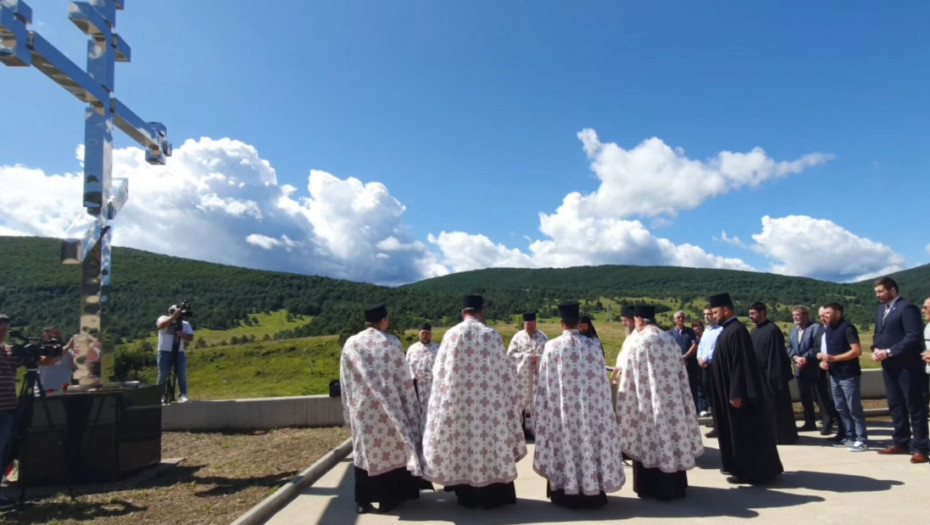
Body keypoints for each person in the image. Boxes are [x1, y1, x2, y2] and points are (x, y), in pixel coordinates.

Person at [422, 295, 526, 509]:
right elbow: (506, 375)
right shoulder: (491, 335)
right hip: (489, 409)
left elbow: (439, 374)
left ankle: (466, 494)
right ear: (481, 313)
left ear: (463, 313)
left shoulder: (451, 335)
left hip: (459, 406)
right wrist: (512, 402)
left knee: (463, 447)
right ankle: (494, 494)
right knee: (490, 447)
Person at [533, 302, 625, 508]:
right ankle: (593, 491)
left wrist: (541, 412)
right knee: (588, 447)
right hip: (590, 414)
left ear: (561, 323)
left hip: (562, 414)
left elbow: (545, 384)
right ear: (579, 323)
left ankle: (565, 492)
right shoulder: (592, 346)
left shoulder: (552, 346)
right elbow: (602, 383)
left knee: (565, 448)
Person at [340, 304, 424, 514]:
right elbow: (403, 379)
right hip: (390, 408)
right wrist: (411, 408)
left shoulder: (351, 344)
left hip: (363, 409)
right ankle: (389, 499)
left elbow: (345, 381)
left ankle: (362, 500)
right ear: (384, 320)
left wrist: (349, 410)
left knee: (364, 453)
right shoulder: (392, 343)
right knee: (392, 453)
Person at [617, 305, 703, 500]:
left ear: (639, 320)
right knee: (671, 440)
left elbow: (629, 380)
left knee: (650, 444)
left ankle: (650, 487)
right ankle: (675, 485)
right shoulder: (669, 340)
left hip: (647, 407)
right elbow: (682, 375)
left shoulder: (638, 343)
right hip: (672, 406)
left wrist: (625, 406)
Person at [707, 293, 783, 485]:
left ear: (727, 310)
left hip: (737, 396)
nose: (713, 315)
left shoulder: (737, 331)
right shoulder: (728, 330)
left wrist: (736, 392)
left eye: (716, 312)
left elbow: (740, 366)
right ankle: (739, 467)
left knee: (744, 433)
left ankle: (749, 471)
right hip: (729, 393)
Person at [871, 277, 928, 463]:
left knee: (914, 405)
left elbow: (912, 336)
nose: (877, 295)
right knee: (895, 404)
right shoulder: (882, 310)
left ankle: (921, 448)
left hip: (907, 366)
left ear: (892, 290)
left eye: (880, 291)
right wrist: (875, 350)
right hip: (889, 366)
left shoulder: (907, 308)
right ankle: (901, 442)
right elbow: (879, 334)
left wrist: (889, 351)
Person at [816, 302, 867, 452]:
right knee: (841, 407)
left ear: (838, 313)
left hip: (848, 374)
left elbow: (856, 351)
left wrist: (835, 358)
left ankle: (862, 439)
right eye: (824, 314)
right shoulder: (829, 329)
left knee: (854, 408)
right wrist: (825, 361)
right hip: (834, 375)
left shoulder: (847, 328)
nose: (825, 316)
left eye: (828, 313)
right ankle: (850, 437)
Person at [748, 302, 798, 445]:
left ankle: (782, 436)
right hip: (760, 376)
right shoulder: (755, 331)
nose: (750, 316)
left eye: (753, 313)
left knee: (777, 409)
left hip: (772, 377)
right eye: (750, 314)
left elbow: (776, 356)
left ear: (763, 312)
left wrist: (773, 378)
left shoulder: (772, 330)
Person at [787, 306, 839, 435]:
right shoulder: (793, 331)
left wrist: (805, 358)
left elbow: (817, 346)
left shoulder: (816, 328)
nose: (795, 317)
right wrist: (795, 357)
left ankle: (827, 422)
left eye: (797, 315)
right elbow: (789, 347)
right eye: (793, 315)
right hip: (799, 369)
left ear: (806, 316)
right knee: (804, 397)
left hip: (814, 368)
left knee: (820, 396)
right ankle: (809, 422)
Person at [507, 311, 548, 439]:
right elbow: (510, 356)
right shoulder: (517, 338)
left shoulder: (543, 338)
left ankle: (537, 432)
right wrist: (526, 358)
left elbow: (549, 357)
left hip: (538, 380)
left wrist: (538, 358)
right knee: (520, 405)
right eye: (527, 325)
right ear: (524, 324)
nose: (529, 327)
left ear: (535, 323)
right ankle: (520, 433)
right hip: (521, 381)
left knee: (538, 405)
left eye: (532, 325)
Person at [0, 315, 24, 511]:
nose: (3, 334)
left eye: (5, 331)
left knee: (3, 453)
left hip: (8, 409)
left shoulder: (6, 351)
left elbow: (42, 361)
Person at [669, 311, 707, 416]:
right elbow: (668, 348)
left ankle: (694, 410)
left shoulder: (690, 332)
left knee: (692, 387)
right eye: (678, 317)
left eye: (682, 317)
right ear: (674, 320)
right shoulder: (670, 333)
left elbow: (694, 345)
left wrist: (685, 356)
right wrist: (679, 358)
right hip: (676, 364)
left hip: (690, 364)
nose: (681, 319)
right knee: (677, 387)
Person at [156, 305, 195, 403]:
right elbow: (160, 326)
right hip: (164, 351)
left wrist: (183, 335)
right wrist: (173, 318)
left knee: (181, 373)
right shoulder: (163, 318)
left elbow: (191, 337)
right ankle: (161, 395)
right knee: (163, 374)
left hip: (179, 351)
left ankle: (183, 394)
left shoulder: (185, 324)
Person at [405, 322, 439, 435]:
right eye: (423, 333)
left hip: (433, 386)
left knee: (432, 411)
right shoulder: (412, 349)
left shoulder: (438, 349)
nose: (425, 335)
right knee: (417, 412)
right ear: (419, 334)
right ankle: (418, 434)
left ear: (431, 334)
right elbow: (407, 366)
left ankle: (432, 433)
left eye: (427, 333)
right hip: (417, 387)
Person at [697, 306, 723, 438]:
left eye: (709, 314)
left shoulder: (720, 330)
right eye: (705, 314)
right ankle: (716, 423)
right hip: (704, 367)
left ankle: (721, 426)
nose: (707, 316)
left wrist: (706, 359)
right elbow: (701, 346)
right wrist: (699, 358)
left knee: (717, 396)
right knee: (709, 397)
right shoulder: (706, 331)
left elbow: (717, 348)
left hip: (714, 366)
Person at [37, 326, 77, 393]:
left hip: (65, 390)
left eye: (59, 333)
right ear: (45, 335)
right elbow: (48, 362)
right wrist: (69, 346)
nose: (58, 336)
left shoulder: (69, 352)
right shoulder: (40, 351)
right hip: (46, 391)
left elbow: (78, 366)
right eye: (56, 333)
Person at [609, 305, 637, 385]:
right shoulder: (629, 335)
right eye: (622, 320)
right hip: (621, 373)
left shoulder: (638, 336)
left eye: (625, 320)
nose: (623, 323)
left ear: (633, 320)